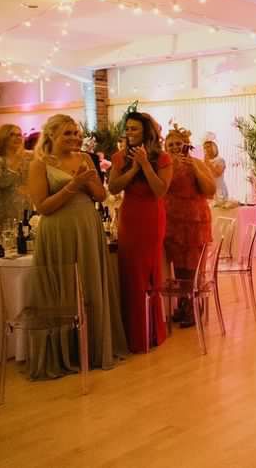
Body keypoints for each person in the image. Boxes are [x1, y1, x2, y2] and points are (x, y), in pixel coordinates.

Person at [26, 114, 128, 378]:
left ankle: (93, 347)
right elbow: (43, 207)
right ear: (51, 136)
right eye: (67, 133)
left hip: (87, 226)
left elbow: (100, 195)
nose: (74, 137)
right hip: (58, 230)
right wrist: (74, 185)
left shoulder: (83, 158)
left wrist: (90, 181)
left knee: (89, 284)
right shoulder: (40, 164)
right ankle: (65, 352)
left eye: (76, 132)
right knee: (64, 289)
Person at [108, 112, 173, 353]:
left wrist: (145, 165)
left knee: (149, 271)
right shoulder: (118, 157)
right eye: (128, 129)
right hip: (129, 217)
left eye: (134, 129)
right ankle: (133, 334)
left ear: (146, 132)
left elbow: (160, 191)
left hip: (151, 217)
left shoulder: (163, 158)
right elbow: (114, 187)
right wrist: (133, 168)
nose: (130, 133)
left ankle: (152, 332)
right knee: (130, 273)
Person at [164, 125, 215, 327]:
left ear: (186, 145)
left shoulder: (197, 163)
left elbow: (210, 190)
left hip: (194, 219)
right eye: (171, 144)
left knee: (192, 266)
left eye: (179, 143)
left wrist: (193, 167)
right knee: (177, 266)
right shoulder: (164, 165)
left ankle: (194, 307)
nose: (175, 147)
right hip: (172, 220)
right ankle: (182, 303)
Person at [0, 124, 32, 228]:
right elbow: (3, 182)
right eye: (12, 134)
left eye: (19, 135)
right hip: (7, 210)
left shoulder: (28, 156)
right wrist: (17, 159)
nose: (17, 138)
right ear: (2, 137)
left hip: (28, 206)